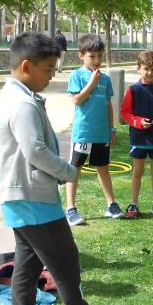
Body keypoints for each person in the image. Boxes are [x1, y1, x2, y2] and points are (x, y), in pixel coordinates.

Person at [0, 32, 112, 305]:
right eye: (48, 69)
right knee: (64, 258)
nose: (51, 76)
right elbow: (35, 150)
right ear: (26, 66)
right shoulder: (21, 103)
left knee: (28, 260)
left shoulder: (20, 97)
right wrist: (67, 171)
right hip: (31, 195)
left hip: (24, 194)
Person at [64, 34, 122, 226]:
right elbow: (76, 100)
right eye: (92, 56)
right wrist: (91, 83)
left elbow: (108, 104)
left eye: (100, 56)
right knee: (75, 169)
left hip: (101, 133)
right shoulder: (76, 75)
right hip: (83, 133)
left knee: (103, 168)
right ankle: (71, 208)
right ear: (82, 55)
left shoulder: (105, 79)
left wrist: (112, 129)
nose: (97, 61)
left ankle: (111, 204)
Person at [120, 50, 153, 218]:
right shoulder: (132, 90)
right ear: (139, 68)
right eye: (146, 69)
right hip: (139, 138)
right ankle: (133, 204)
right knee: (137, 172)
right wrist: (137, 122)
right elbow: (125, 112)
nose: (149, 73)